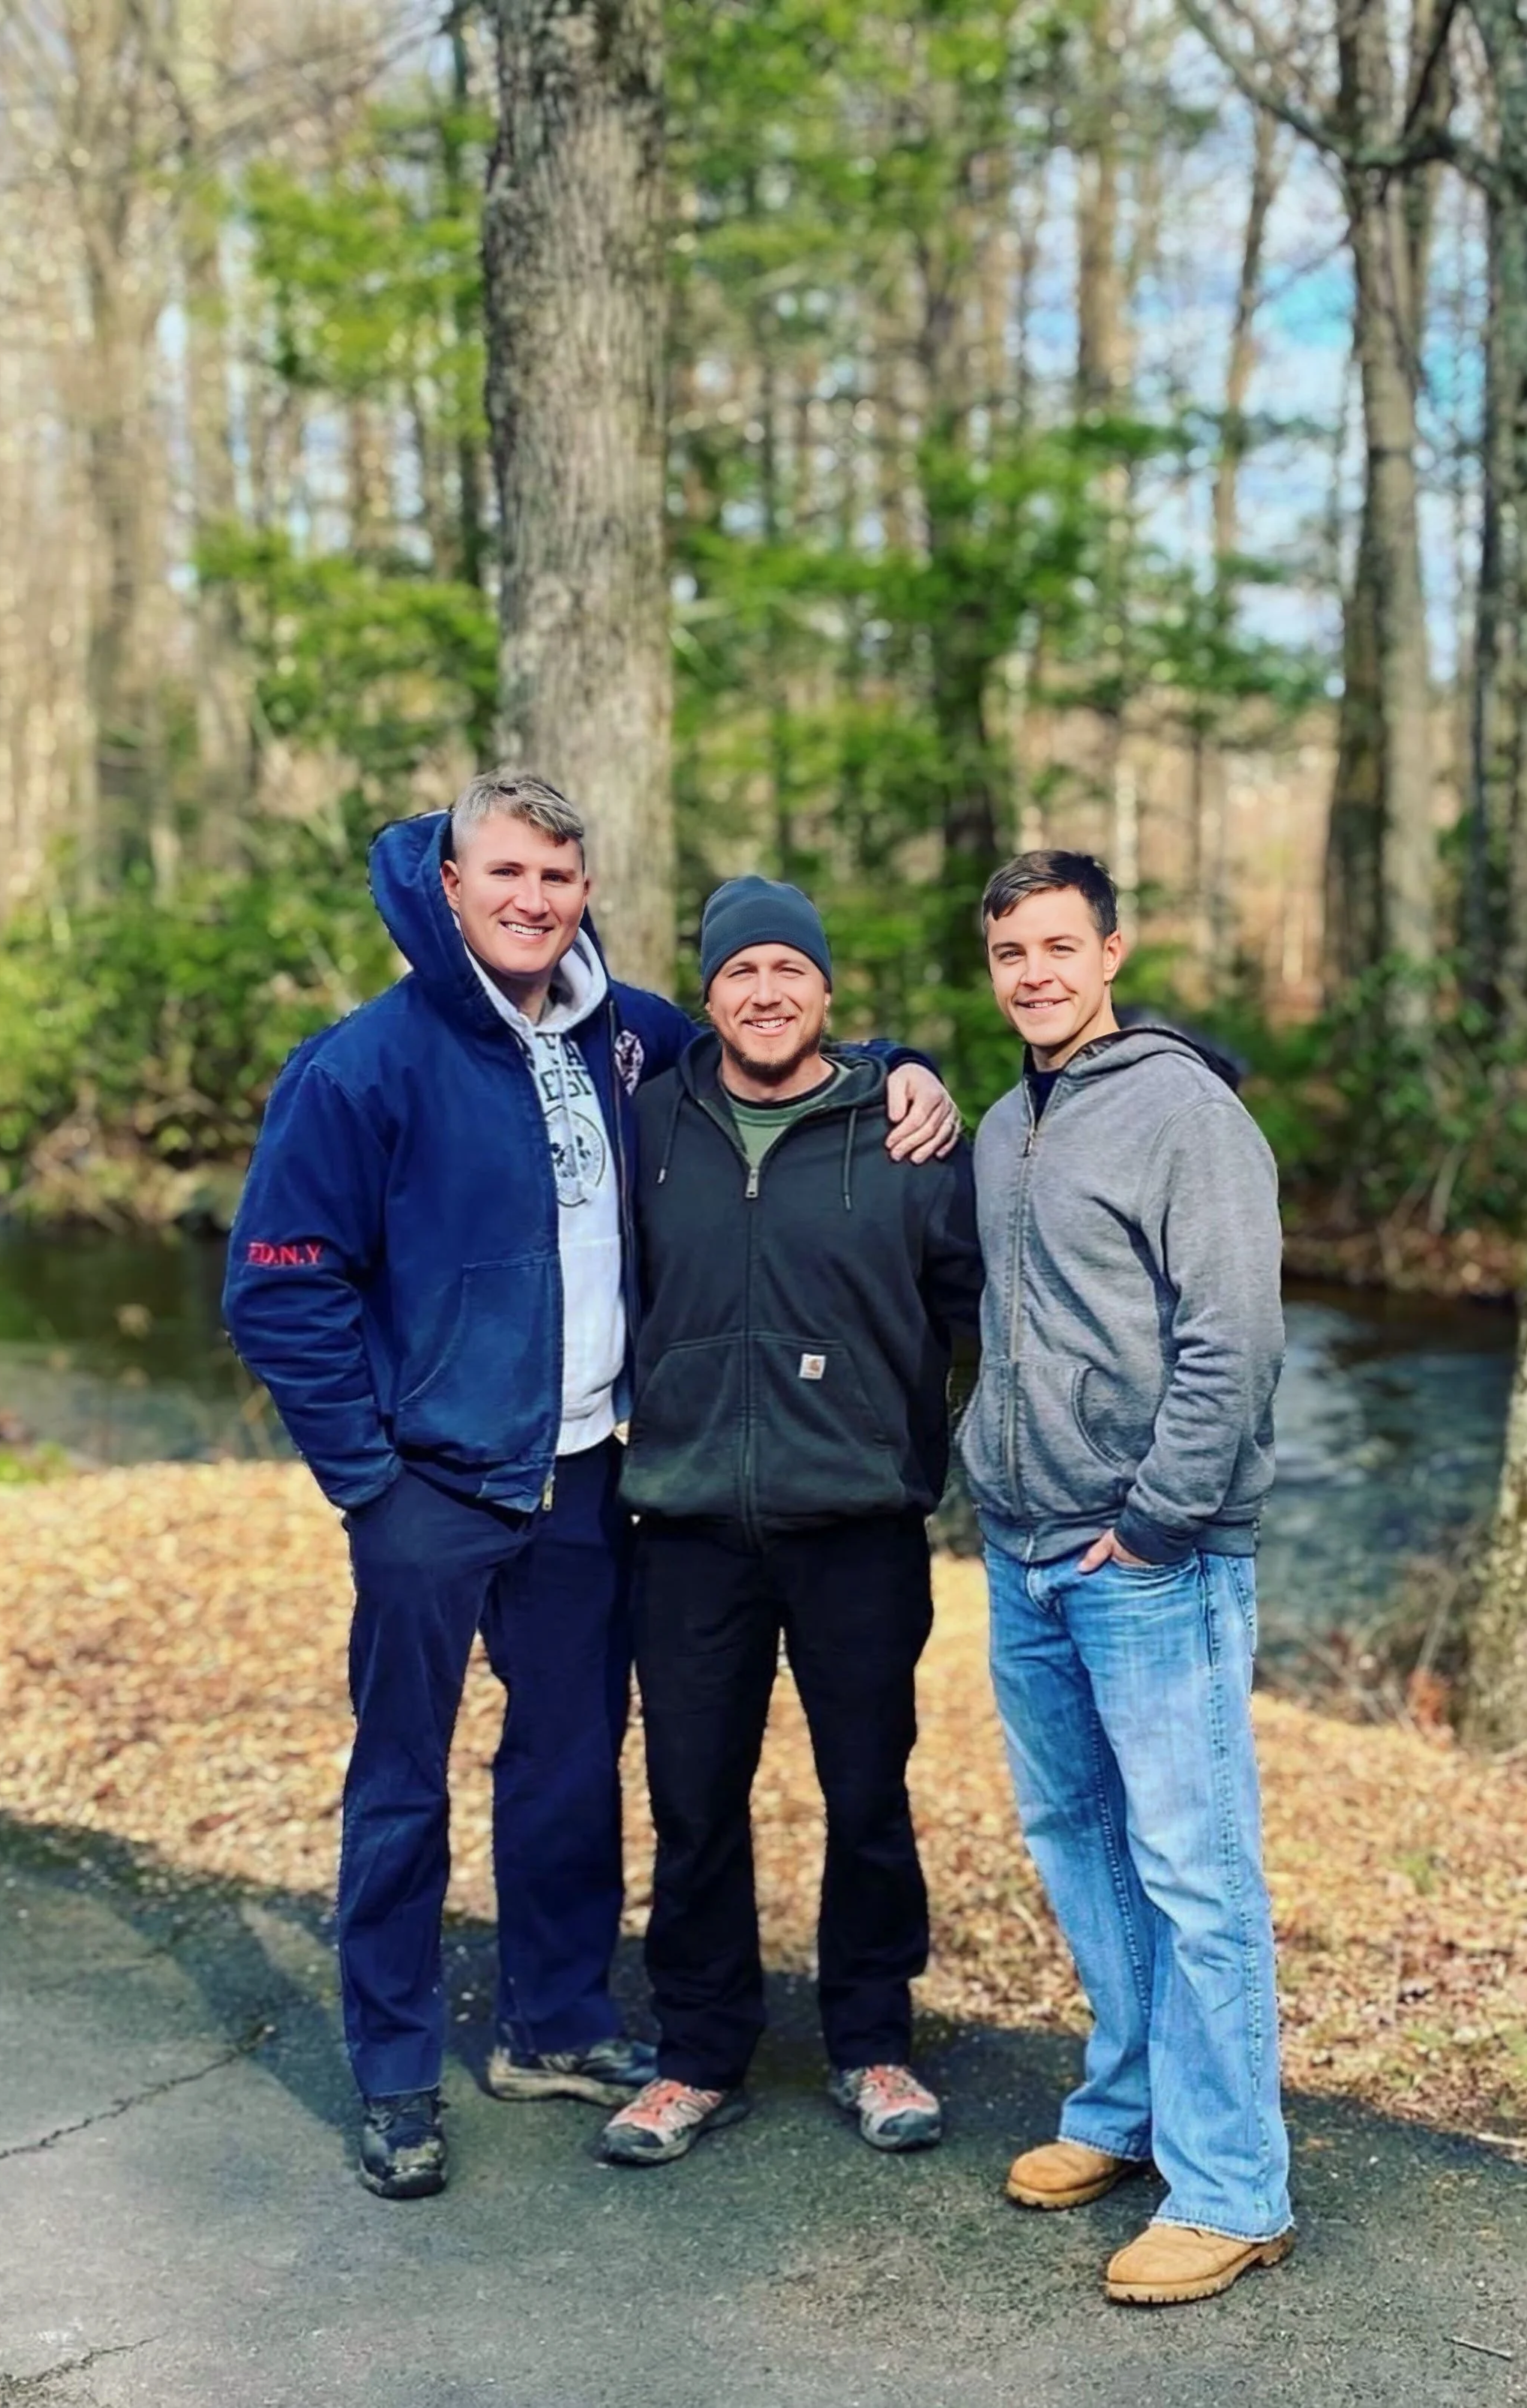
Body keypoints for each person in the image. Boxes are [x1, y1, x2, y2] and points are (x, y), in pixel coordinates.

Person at [223, 777, 956, 2202]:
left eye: (559, 875)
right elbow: (282, 1287)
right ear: (448, 882)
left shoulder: (631, 1037)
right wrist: (370, 1472)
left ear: (586, 887)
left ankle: (553, 2025)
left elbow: (788, 1043)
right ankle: (393, 2069)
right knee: (402, 1785)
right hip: (430, 1481)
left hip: (586, 1475)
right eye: (507, 872)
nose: (534, 899)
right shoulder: (365, 1064)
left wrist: (913, 1061)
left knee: (567, 1763)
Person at [596, 876, 983, 2169]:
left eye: (791, 970)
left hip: (859, 1523)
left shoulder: (909, 1132)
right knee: (693, 1798)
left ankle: (871, 2039)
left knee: (866, 1790)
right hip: (689, 1520)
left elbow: (980, 1309)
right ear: (708, 994)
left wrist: (958, 1461)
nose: (767, 992)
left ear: (827, 990)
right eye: (741, 972)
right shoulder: (650, 1122)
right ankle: (696, 2054)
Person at [957, 848, 1293, 2306]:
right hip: (1019, 1544)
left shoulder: (1186, 1114)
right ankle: (1129, 2104)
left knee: (1192, 1870)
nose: (1032, 973)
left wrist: (1156, 1521)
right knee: (1076, 1842)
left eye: (1055, 946)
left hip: (1145, 1556)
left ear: (1110, 952)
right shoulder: (997, 1122)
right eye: (1007, 954)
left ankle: (1232, 2190)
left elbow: (1235, 1340)